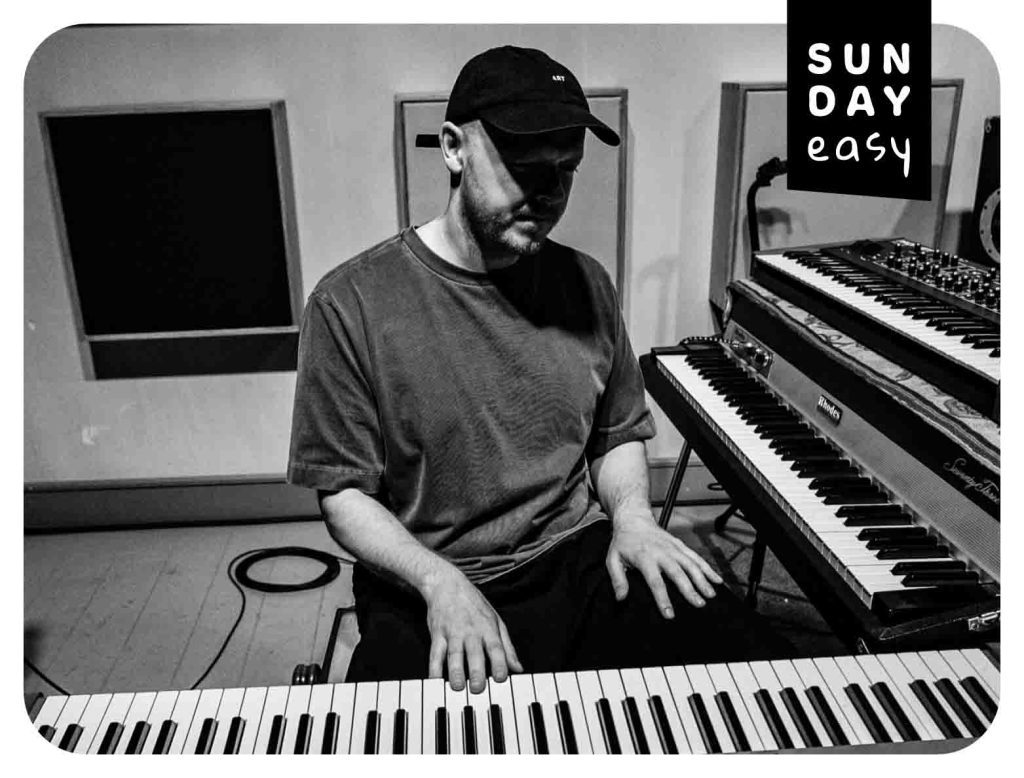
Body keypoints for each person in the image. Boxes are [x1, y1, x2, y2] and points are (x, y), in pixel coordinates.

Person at [288, 45, 787, 695]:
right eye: (524, 167)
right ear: (453, 149)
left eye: (564, 170)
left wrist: (634, 518)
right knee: (405, 737)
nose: (547, 193)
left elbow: (616, 436)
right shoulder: (349, 303)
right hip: (426, 576)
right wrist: (439, 583)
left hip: (574, 557)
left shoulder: (587, 284)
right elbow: (343, 495)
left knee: (770, 678)